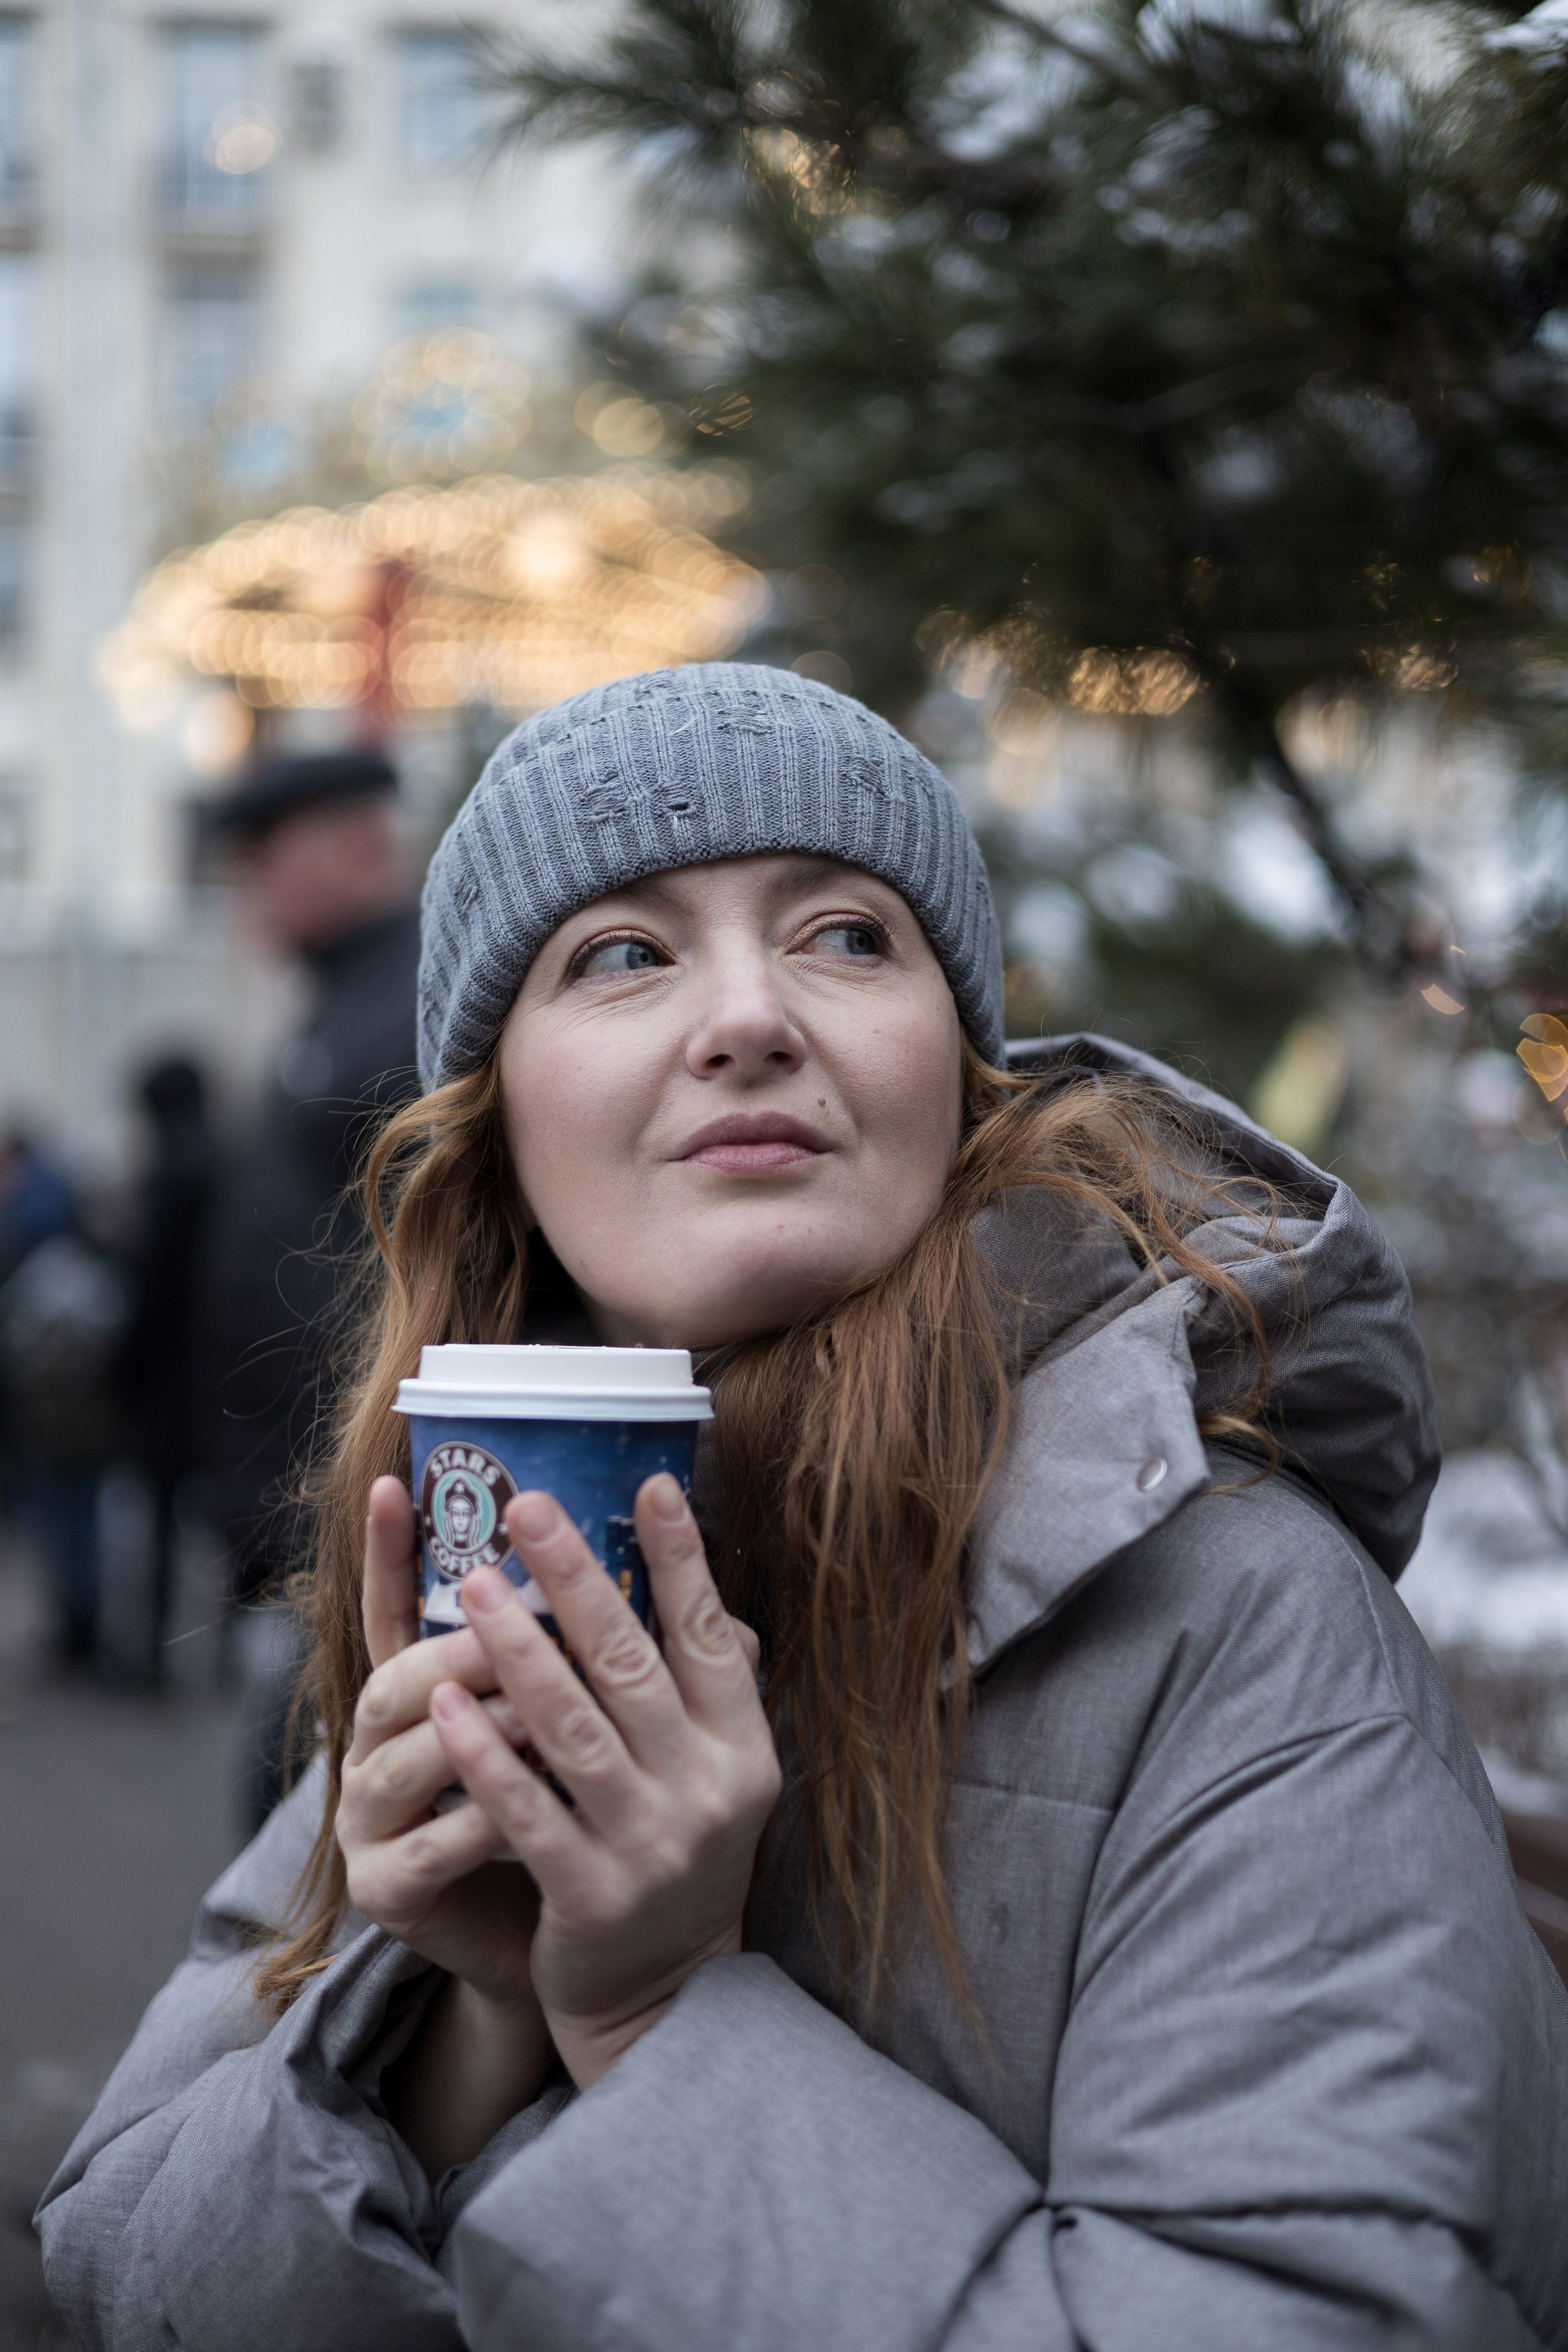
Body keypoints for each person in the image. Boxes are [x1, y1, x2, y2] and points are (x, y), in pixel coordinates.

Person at [39, 667, 1568, 2349]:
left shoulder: (1243, 1624)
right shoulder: (498, 1575)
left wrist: (655, 2015)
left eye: (847, 935)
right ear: (506, 1138)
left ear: (958, 1079)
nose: (750, 1016)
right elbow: (123, 2264)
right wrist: (461, 2026)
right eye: (622, 953)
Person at [196, 749, 421, 1815]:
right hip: (313, 1509)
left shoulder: (413, 1000)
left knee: (296, 1821)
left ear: (354, 845)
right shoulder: (346, 1001)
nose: (250, 893)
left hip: (362, 1504)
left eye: (264, 862)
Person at [113, 1055, 219, 1681]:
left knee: (154, 1516)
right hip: (220, 1362)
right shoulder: (228, 1158)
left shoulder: (170, 1174)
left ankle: (151, 1653)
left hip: (166, 1374)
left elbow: (151, 1286)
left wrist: (122, 1366)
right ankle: (224, 1646)